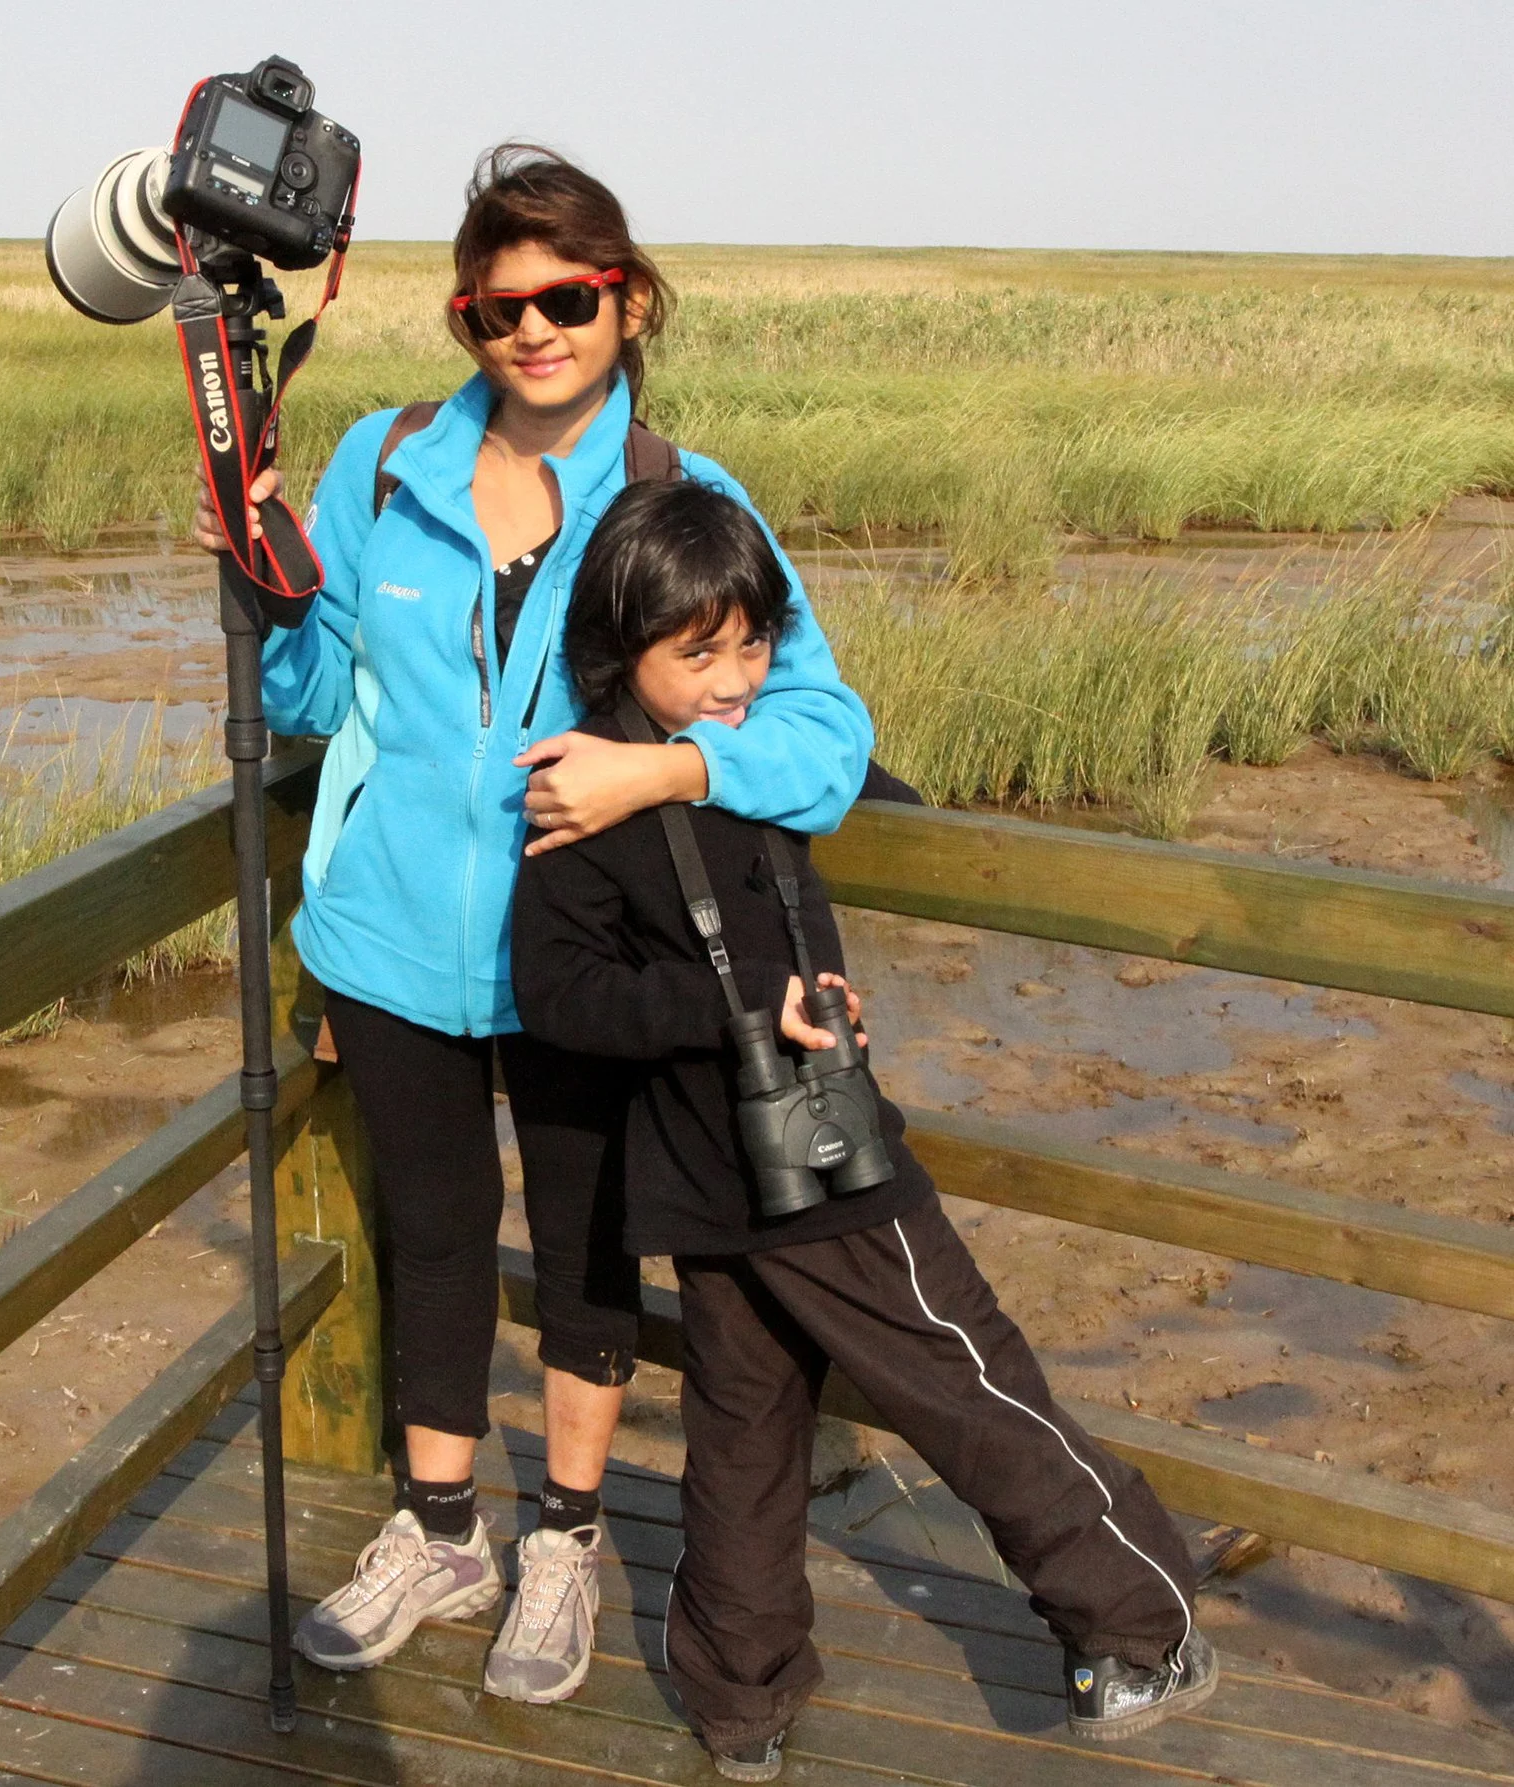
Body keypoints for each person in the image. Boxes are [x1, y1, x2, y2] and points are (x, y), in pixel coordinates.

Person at [193, 145, 873, 1704]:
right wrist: (271, 580)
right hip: (388, 943)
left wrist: (664, 765)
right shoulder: (385, 462)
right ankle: (442, 1532)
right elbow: (315, 693)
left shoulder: (682, 499)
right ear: (464, 321)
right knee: (433, 1235)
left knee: (583, 1246)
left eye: (569, 299)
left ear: (629, 304)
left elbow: (826, 731)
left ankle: (563, 1536)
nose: (534, 332)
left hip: (587, 961)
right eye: (496, 310)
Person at [510, 477, 1213, 1781]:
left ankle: (741, 1701)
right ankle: (1140, 1620)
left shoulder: (744, 749)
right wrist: (742, 1013)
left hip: (722, 1163)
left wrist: (814, 982)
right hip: (810, 1161)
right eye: (698, 654)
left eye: (752, 644)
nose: (735, 681)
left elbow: (854, 792)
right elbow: (558, 996)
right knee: (962, 1377)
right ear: (621, 646)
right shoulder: (580, 795)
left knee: (747, 1434)